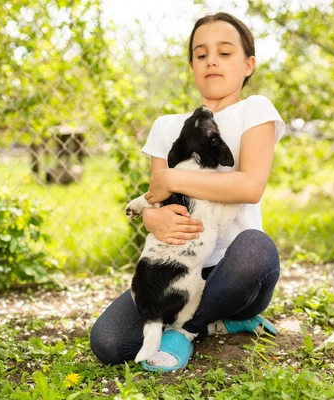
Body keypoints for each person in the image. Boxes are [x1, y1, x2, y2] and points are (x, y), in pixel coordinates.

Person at [90, 11, 285, 372]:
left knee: (256, 249)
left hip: (234, 272)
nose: (211, 59)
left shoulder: (254, 111)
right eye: (201, 54)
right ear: (192, 66)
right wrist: (151, 216)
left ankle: (187, 331)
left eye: (225, 53)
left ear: (248, 64)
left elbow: (249, 185)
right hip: (176, 269)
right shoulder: (167, 128)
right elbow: (158, 199)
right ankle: (216, 322)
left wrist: (174, 179)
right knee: (109, 342)